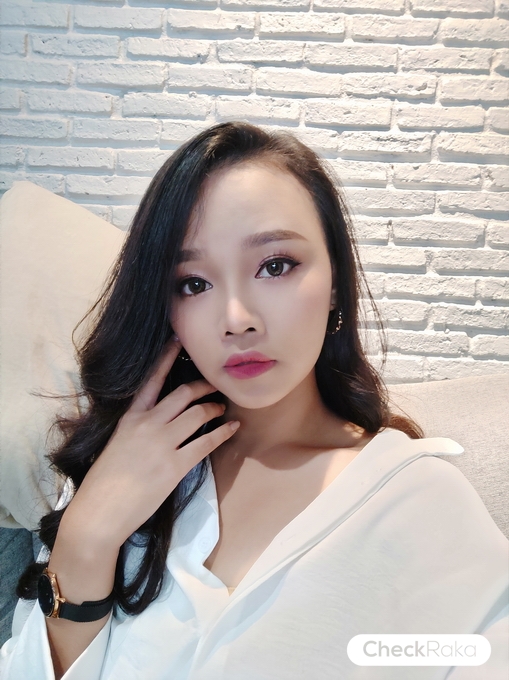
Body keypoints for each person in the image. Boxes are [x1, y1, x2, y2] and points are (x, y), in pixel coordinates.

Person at [0, 121, 507, 680]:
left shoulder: (416, 499)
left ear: (335, 281)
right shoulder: (123, 467)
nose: (237, 319)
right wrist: (85, 540)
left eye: (275, 265)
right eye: (193, 283)